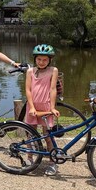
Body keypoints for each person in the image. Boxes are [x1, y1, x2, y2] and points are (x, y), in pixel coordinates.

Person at [24, 44, 60, 176]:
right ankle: (29, 159)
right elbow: (28, 89)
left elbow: (52, 89)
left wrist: (52, 107)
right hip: (32, 106)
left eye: (45, 59)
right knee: (30, 134)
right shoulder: (30, 71)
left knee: (48, 137)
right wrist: (32, 106)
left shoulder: (53, 70)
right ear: (35, 59)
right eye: (39, 59)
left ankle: (52, 162)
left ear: (49, 60)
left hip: (46, 106)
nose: (42, 62)